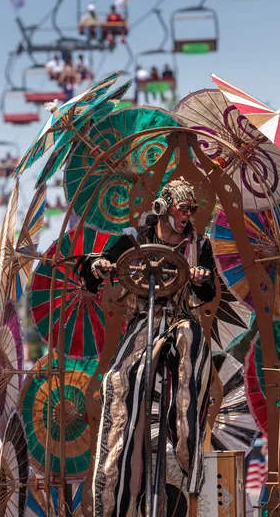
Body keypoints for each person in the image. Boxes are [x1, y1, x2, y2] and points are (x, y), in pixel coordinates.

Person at [79, 177, 215, 517]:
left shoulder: (199, 244)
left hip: (180, 318)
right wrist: (100, 266)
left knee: (192, 343)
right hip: (144, 320)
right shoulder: (133, 239)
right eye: (183, 208)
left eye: (192, 209)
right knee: (118, 381)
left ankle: (186, 447)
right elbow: (94, 271)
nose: (188, 215)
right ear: (164, 207)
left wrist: (201, 280)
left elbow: (210, 293)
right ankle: (114, 496)